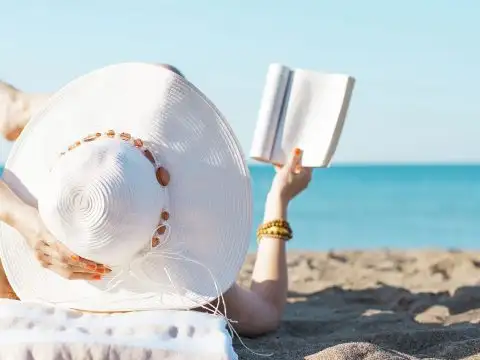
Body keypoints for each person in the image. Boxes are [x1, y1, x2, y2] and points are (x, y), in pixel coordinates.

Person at [0, 63, 312, 337]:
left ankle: (24, 109)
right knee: (164, 78)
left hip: (40, 209)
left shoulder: (6, 272)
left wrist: (20, 216)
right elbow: (266, 311)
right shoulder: (186, 288)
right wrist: (279, 199)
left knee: (161, 80)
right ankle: (26, 109)